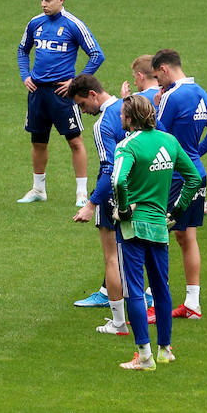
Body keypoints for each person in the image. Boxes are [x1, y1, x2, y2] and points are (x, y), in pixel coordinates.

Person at [110, 94, 202, 370]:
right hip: (160, 226)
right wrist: (176, 211)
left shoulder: (127, 145)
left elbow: (118, 181)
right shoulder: (169, 141)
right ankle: (165, 349)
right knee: (161, 289)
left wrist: (124, 209)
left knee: (136, 291)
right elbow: (194, 178)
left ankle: (144, 356)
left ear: (129, 118)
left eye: (123, 114)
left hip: (133, 228)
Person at [151, 49, 207, 319]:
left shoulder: (171, 96)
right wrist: (194, 152)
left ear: (165, 69)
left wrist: (157, 105)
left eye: (158, 76)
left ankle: (155, 301)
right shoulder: (201, 92)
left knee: (156, 237)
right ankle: (193, 303)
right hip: (196, 173)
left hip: (174, 177)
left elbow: (157, 135)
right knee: (186, 237)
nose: (158, 82)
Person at [15, 0, 103, 207]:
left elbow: (96, 55)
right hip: (37, 93)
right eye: (42, 0)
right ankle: (38, 189)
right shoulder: (35, 23)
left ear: (61, 0)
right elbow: (22, 50)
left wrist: (75, 82)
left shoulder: (74, 24)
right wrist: (26, 75)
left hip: (62, 95)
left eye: (48, 0)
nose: (43, 4)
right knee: (38, 141)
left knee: (75, 141)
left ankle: (82, 193)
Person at [71, 75, 135, 333]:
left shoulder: (103, 124)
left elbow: (110, 169)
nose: (84, 112)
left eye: (83, 105)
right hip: (141, 192)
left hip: (114, 195)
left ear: (93, 95)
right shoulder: (132, 107)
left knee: (112, 258)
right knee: (134, 254)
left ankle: (119, 322)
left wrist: (91, 204)